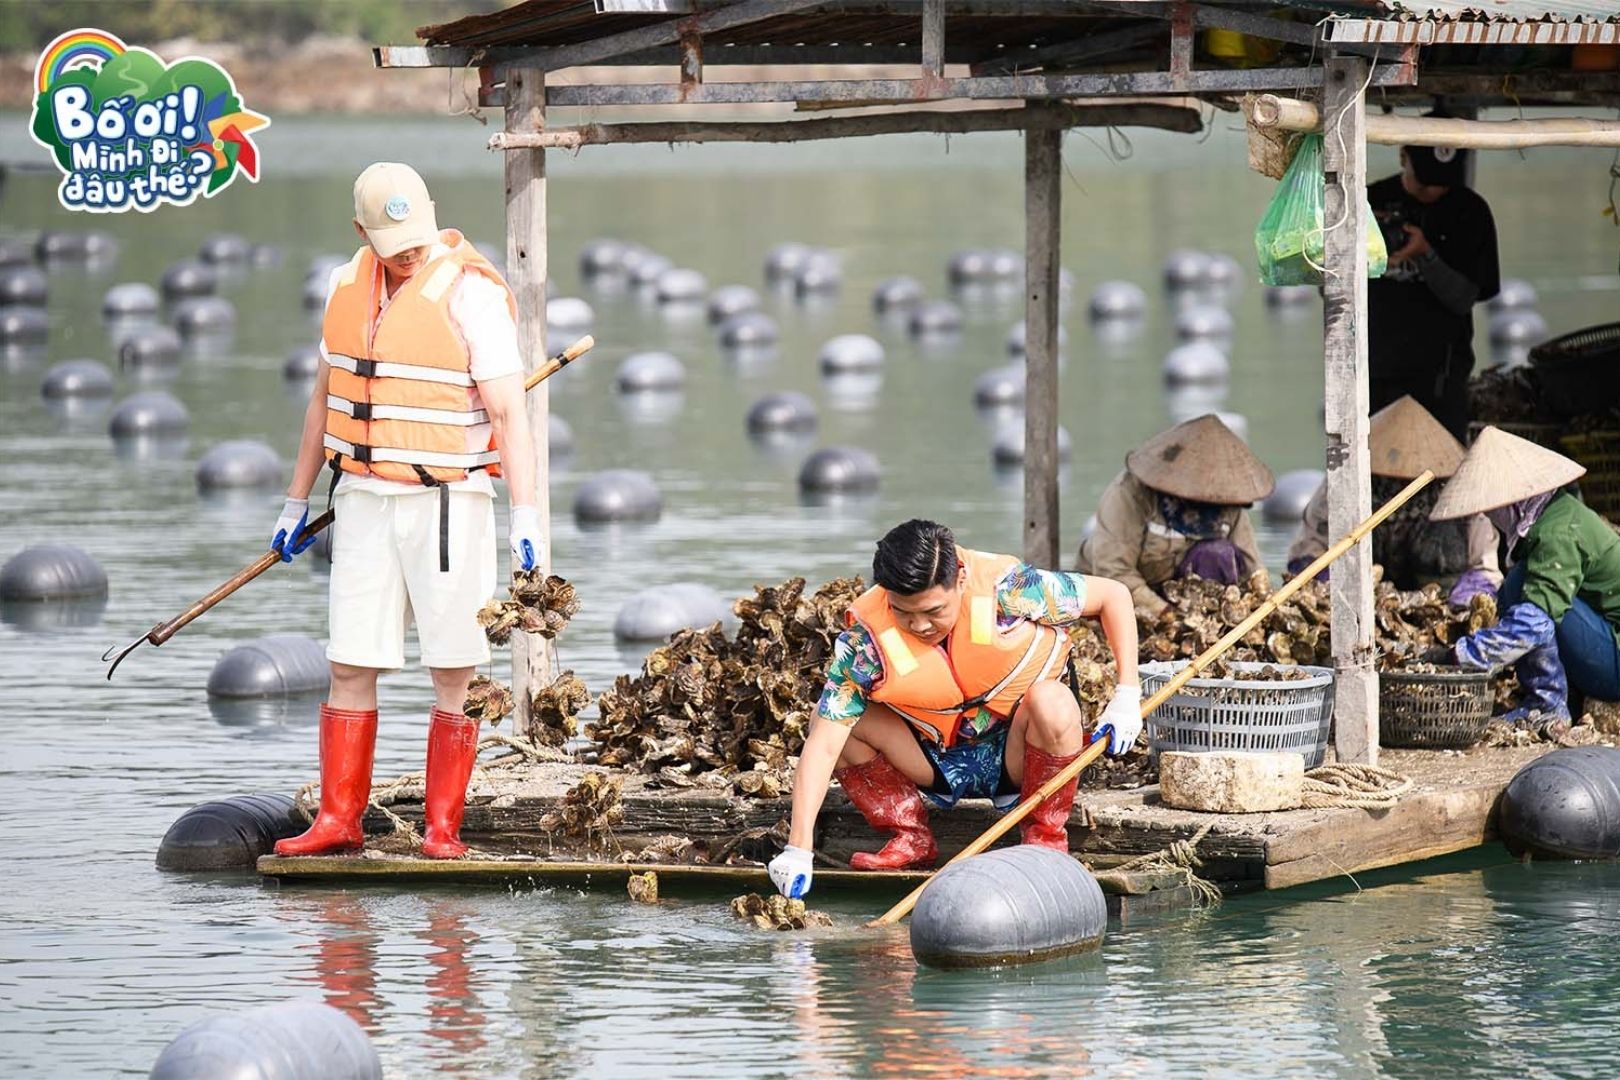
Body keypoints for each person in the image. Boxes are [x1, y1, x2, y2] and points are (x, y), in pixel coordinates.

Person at [270, 162, 543, 859]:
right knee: (349, 661)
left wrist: (528, 519)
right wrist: (295, 500)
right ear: (361, 231)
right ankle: (339, 820)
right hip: (362, 498)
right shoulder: (345, 285)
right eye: (392, 244)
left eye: (416, 237)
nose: (408, 252)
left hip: (448, 501)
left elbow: (510, 415)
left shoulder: (472, 293)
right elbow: (323, 402)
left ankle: (443, 829)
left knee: (453, 668)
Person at [766, 520, 1141, 899]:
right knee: (827, 719)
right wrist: (798, 848)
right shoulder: (865, 642)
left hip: (1018, 755)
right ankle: (909, 837)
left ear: (960, 579)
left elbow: (1113, 596)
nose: (919, 625)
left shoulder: (1009, 589)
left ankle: (1044, 841)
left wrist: (1127, 694)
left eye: (933, 610)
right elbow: (823, 747)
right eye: (902, 612)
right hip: (933, 760)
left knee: (1054, 702)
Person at [1434, 427, 1620, 726]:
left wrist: (1461, 656)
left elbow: (1535, 623)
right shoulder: (1555, 516)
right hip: (1603, 646)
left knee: (1523, 590)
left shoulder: (1559, 531)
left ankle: (1547, 705)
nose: (1490, 515)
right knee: (1518, 587)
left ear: (1513, 501)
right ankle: (1556, 700)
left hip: (1614, 663)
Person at [1286, 395, 1501, 604]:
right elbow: (1309, 550)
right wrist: (1327, 587)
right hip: (1358, 594)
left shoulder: (1457, 490)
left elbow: (1484, 566)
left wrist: (1468, 597)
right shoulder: (1345, 484)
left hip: (1439, 596)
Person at [1077, 415, 1273, 622]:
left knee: (1218, 553)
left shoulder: (1227, 500)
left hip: (1187, 597)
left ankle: (1207, 623)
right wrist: (1166, 614)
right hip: (1125, 594)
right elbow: (1114, 572)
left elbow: (1253, 568)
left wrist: (1265, 601)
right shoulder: (1130, 495)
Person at [1368, 138, 1501, 440]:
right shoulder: (1368, 202)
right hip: (1373, 369)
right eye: (1425, 180)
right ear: (1403, 157)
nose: (1433, 190)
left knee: (1442, 460)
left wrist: (1425, 254)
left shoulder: (1469, 212)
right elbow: (1330, 286)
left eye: (1443, 182)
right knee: (1373, 460)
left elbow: (1463, 299)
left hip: (1441, 374)